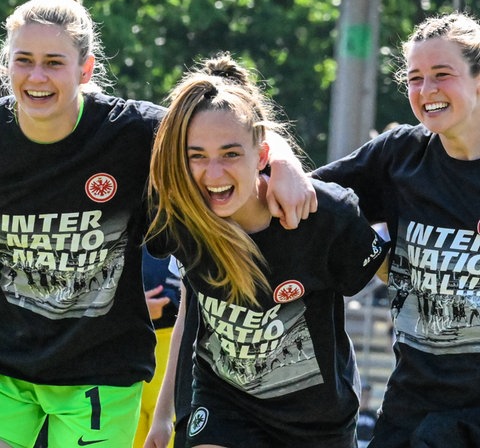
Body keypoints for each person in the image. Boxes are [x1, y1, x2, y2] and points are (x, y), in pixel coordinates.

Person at [0, 0, 316, 447]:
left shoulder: (133, 133)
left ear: (85, 69)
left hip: (99, 371)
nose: (36, 77)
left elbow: (229, 120)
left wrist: (284, 161)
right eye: (23, 61)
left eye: (53, 63)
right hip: (8, 366)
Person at [145, 52, 389, 448]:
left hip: (316, 423)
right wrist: (165, 413)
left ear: (260, 155)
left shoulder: (321, 214)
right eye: (197, 157)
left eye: (230, 154)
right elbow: (193, 303)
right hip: (224, 405)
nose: (214, 173)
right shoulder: (180, 212)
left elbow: (398, 277)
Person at [314, 12, 480, 447]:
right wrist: (377, 257)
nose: (427, 91)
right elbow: (310, 198)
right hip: (409, 405)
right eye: (414, 78)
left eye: (442, 75)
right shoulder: (399, 155)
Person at [133, 247, 180, 448]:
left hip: (170, 343)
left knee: (165, 435)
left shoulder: (179, 232)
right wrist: (133, 307)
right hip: (126, 341)